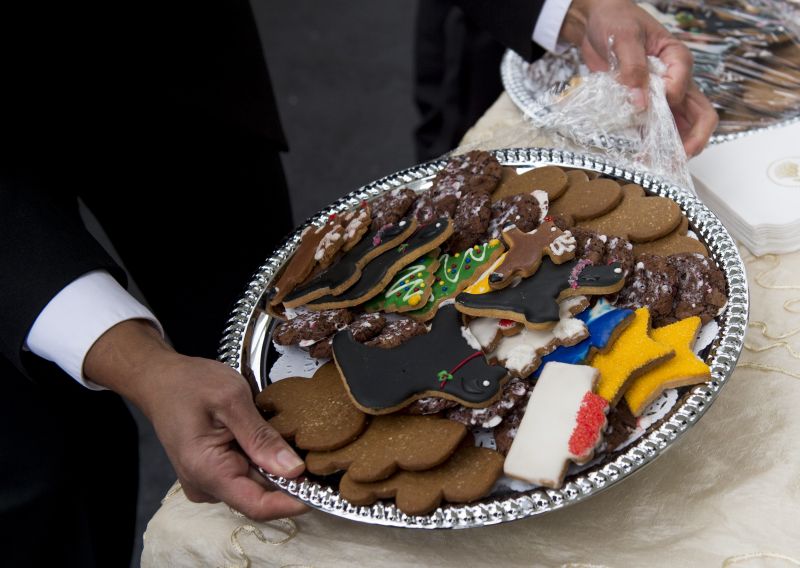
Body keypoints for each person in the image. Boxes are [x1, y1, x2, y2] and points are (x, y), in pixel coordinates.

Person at [0, 0, 717, 565]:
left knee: (266, 364)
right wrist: (136, 362)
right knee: (44, 480)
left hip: (175, 62)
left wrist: (571, 8)